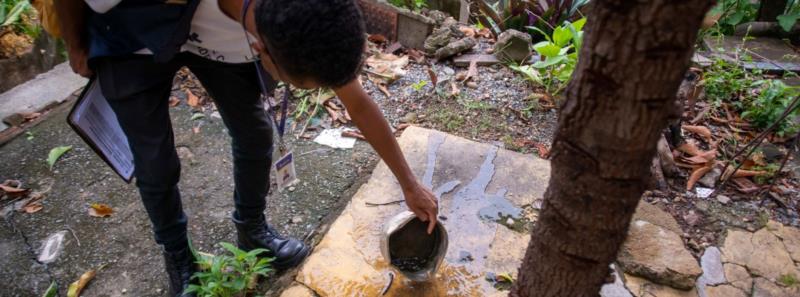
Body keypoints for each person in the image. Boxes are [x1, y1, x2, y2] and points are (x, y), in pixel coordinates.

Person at [56, 0, 439, 296]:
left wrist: (410, 184)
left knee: (256, 132)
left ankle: (252, 230)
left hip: (219, 42)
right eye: (301, 85)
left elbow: (356, 103)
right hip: (132, 35)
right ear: (262, 51)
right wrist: (76, 42)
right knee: (154, 160)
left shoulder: (297, 18)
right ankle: (178, 254)